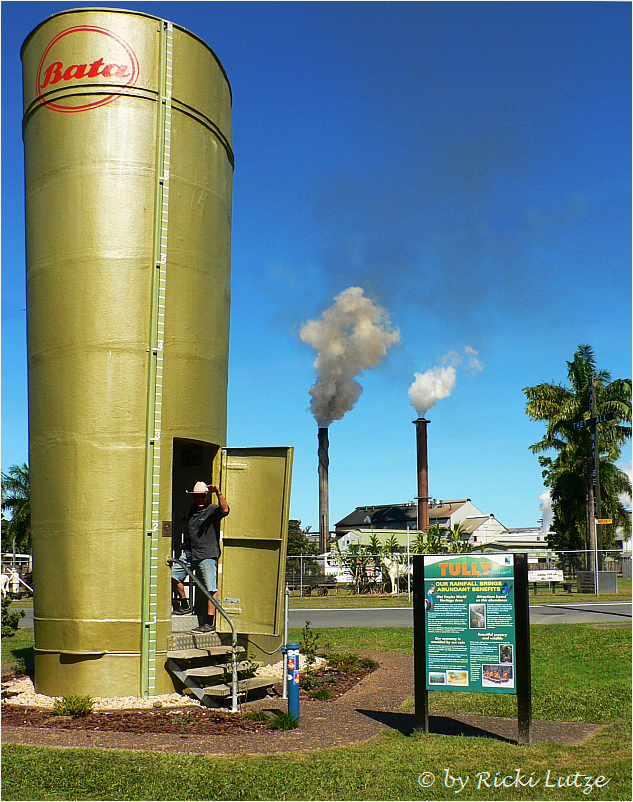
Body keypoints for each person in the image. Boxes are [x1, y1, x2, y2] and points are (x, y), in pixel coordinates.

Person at [171, 481, 229, 633]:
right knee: (173, 576)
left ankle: (209, 624)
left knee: (211, 589)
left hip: (207, 555)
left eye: (202, 496)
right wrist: (188, 521)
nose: (200, 500)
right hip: (190, 553)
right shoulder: (193, 509)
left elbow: (225, 510)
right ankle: (185, 606)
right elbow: (194, 520)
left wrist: (218, 493)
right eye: (197, 497)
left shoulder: (212, 509)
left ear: (207, 497)